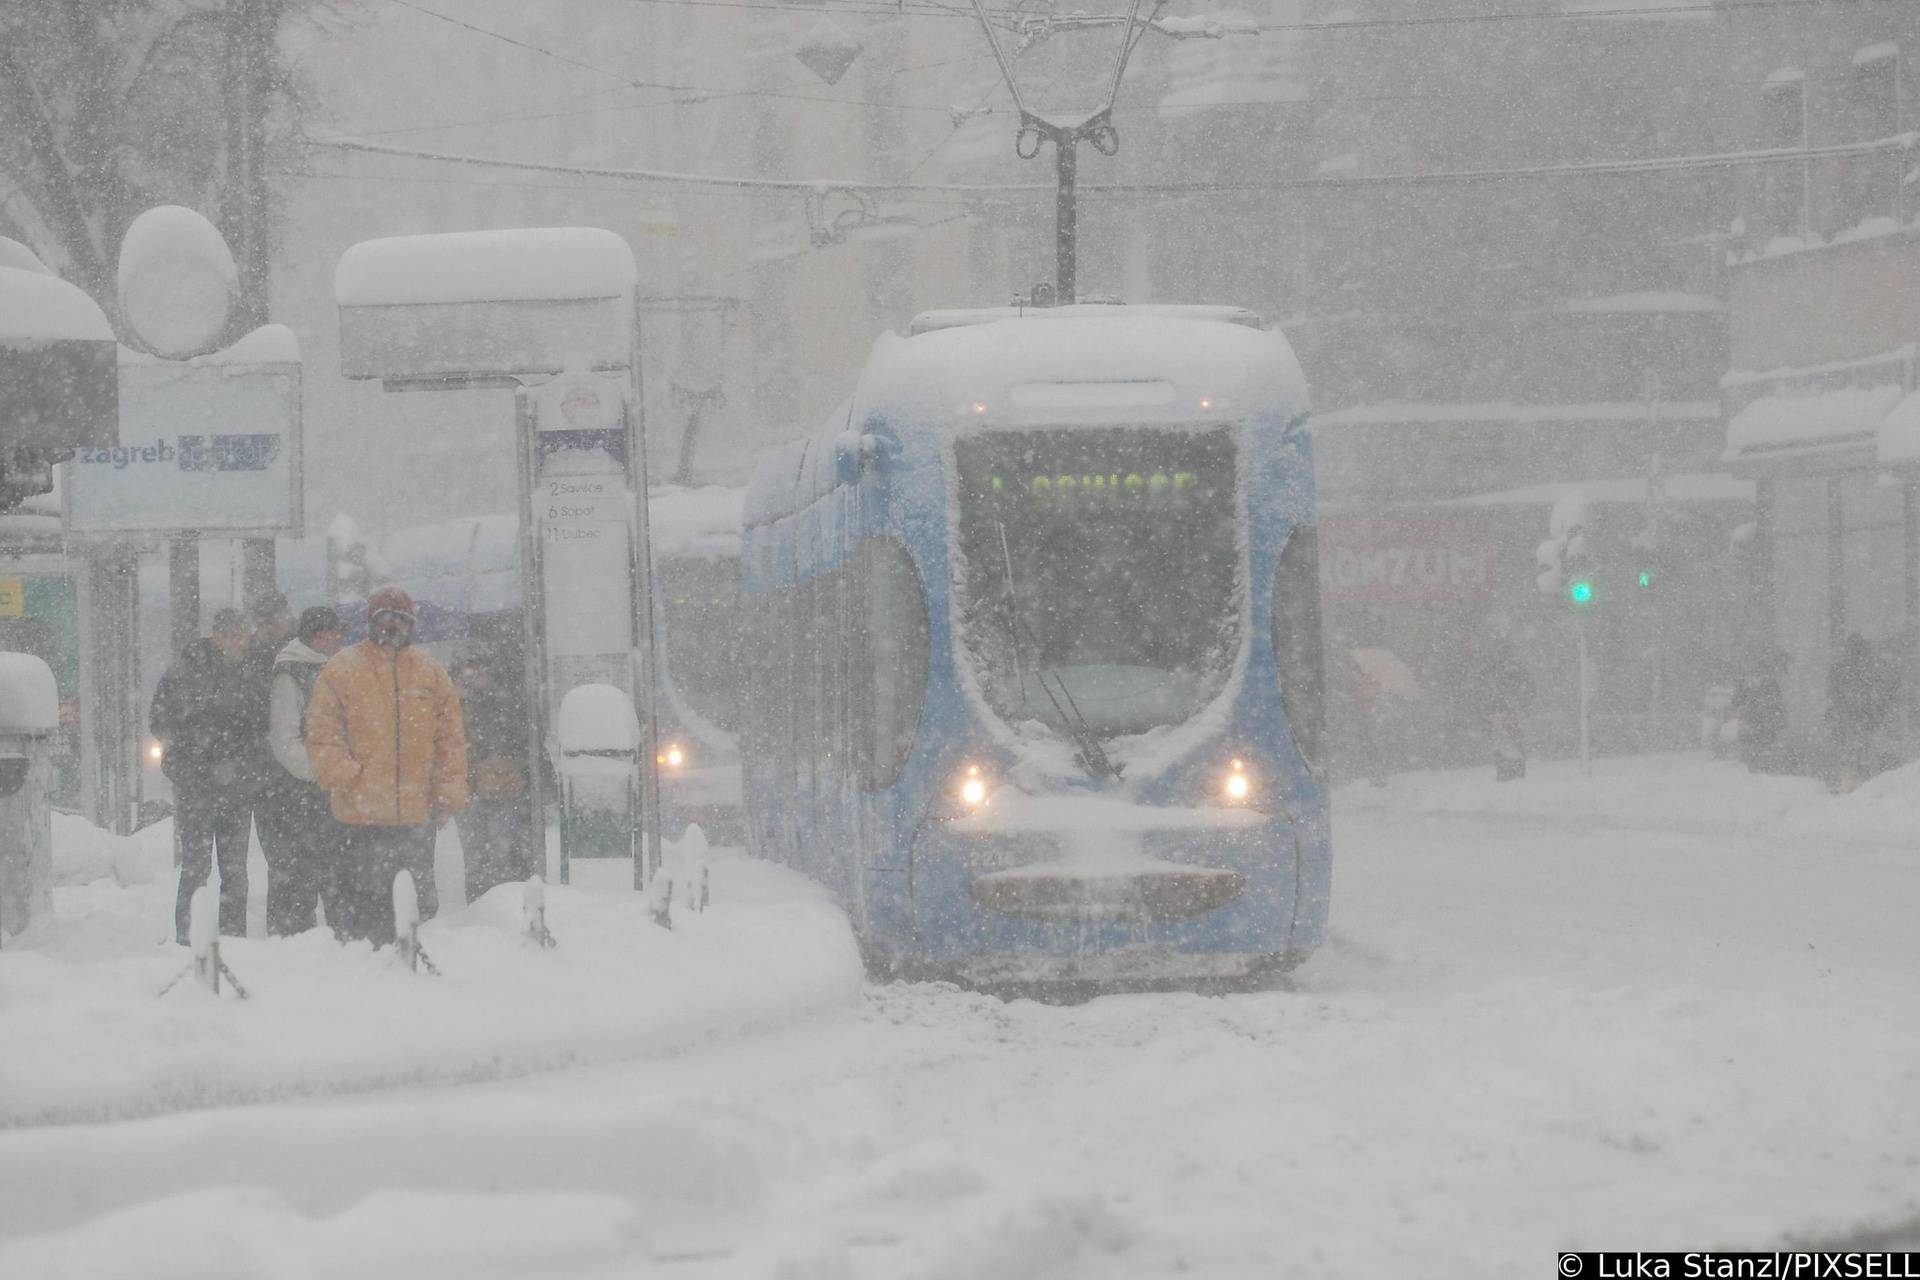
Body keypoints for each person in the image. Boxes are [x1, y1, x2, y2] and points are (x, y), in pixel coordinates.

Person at [306, 586, 468, 945]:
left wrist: (447, 792)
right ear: (371, 622)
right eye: (385, 619)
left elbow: (450, 741)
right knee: (358, 910)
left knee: (416, 908)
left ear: (412, 625)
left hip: (414, 816)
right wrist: (350, 777)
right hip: (357, 818)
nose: (393, 626)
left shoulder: (431, 673)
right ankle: (361, 972)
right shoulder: (341, 670)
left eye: (401, 619)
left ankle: (410, 973)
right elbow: (322, 734)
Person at [150, 608, 262, 943]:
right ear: (218, 634)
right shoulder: (188, 673)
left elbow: (159, 723)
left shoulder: (241, 674)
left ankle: (218, 936)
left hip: (222, 785)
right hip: (202, 785)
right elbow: (160, 723)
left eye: (242, 634)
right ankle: (197, 938)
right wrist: (201, 751)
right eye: (233, 634)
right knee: (206, 869)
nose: (239, 641)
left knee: (226, 870)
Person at [259, 606, 347, 935]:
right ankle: (294, 939)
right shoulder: (290, 673)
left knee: (331, 868)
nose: (333, 639)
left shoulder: (335, 669)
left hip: (327, 787)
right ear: (313, 636)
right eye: (326, 633)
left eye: (335, 632)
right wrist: (320, 773)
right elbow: (285, 739)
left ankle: (332, 937)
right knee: (299, 872)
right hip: (298, 791)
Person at [451, 652, 537, 899]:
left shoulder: (507, 702)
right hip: (472, 790)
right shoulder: (452, 705)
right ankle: (484, 903)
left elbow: (524, 743)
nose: (472, 678)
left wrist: (507, 766)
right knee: (479, 853)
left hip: (502, 791)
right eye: (466, 673)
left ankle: (497, 901)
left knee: (500, 851)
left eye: (477, 671)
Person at [1826, 633, 1887, 793]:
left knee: (1848, 755)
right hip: (1862, 719)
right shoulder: (1868, 670)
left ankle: (1849, 786)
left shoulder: (1840, 669)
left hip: (1848, 719)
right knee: (1863, 753)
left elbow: (1832, 695)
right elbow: (1877, 697)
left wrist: (1834, 716)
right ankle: (1864, 787)